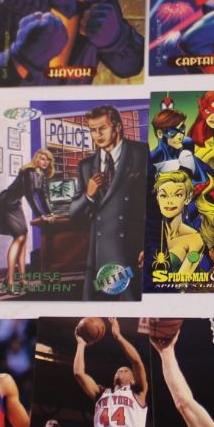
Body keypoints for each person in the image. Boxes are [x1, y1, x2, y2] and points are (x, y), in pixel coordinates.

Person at [64, 106, 143, 299]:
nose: (97, 134)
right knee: (97, 308)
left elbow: (157, 203)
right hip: (99, 255)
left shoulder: (142, 153)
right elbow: (72, 212)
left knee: (133, 307)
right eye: (92, 130)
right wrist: (88, 195)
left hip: (133, 252)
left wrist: (151, 246)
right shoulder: (86, 166)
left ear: (117, 127)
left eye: (102, 128)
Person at [0, 150, 56, 296]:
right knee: (20, 237)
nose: (45, 162)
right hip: (6, 203)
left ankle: (22, 280)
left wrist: (51, 213)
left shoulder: (42, 175)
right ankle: (10, 282)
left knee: (24, 238)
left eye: (48, 160)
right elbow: (29, 195)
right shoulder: (28, 172)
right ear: (37, 159)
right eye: (42, 159)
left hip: (16, 204)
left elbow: (43, 196)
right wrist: (41, 215)